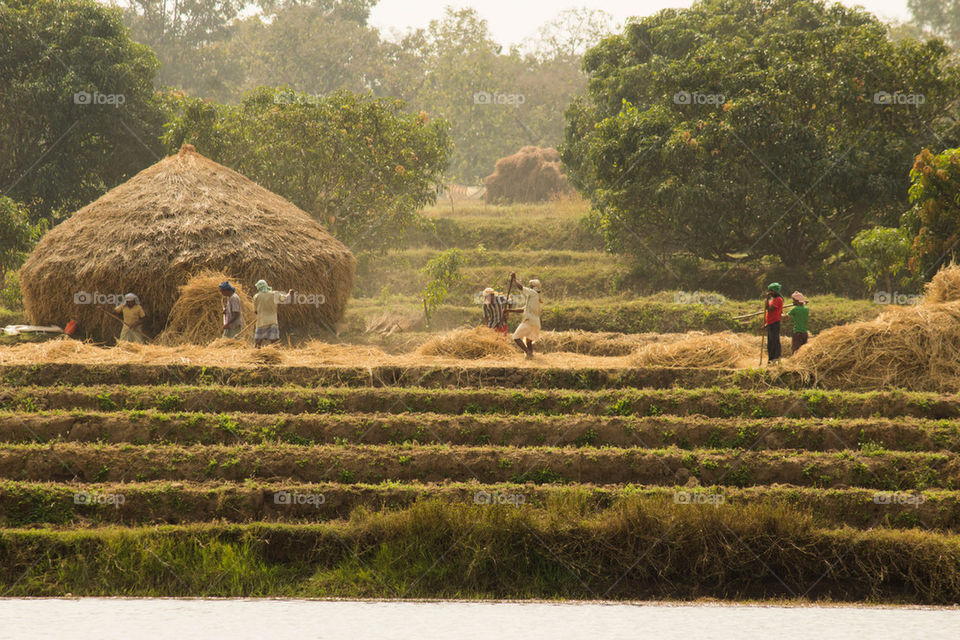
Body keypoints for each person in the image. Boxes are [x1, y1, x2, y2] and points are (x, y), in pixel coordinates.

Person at [506, 273, 542, 359]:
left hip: (529, 321)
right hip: (535, 323)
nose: (529, 287)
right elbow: (522, 310)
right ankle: (530, 355)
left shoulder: (533, 293)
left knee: (516, 337)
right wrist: (508, 310)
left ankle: (528, 352)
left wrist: (514, 279)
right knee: (528, 340)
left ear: (533, 287)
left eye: (530, 286)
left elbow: (520, 287)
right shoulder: (534, 297)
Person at [253, 279, 292, 348]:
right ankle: (275, 355)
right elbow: (285, 298)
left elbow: (255, 311)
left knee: (258, 342)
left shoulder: (256, 296)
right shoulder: (274, 294)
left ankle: (256, 356)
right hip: (272, 321)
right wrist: (289, 293)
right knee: (274, 342)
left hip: (261, 322)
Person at [764, 282, 784, 364]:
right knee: (770, 342)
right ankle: (771, 359)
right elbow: (766, 308)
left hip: (774, 323)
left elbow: (769, 309)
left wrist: (767, 299)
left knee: (775, 341)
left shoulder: (778, 299)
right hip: (770, 323)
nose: (770, 293)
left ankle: (776, 358)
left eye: (771, 291)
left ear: (775, 291)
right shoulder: (773, 300)